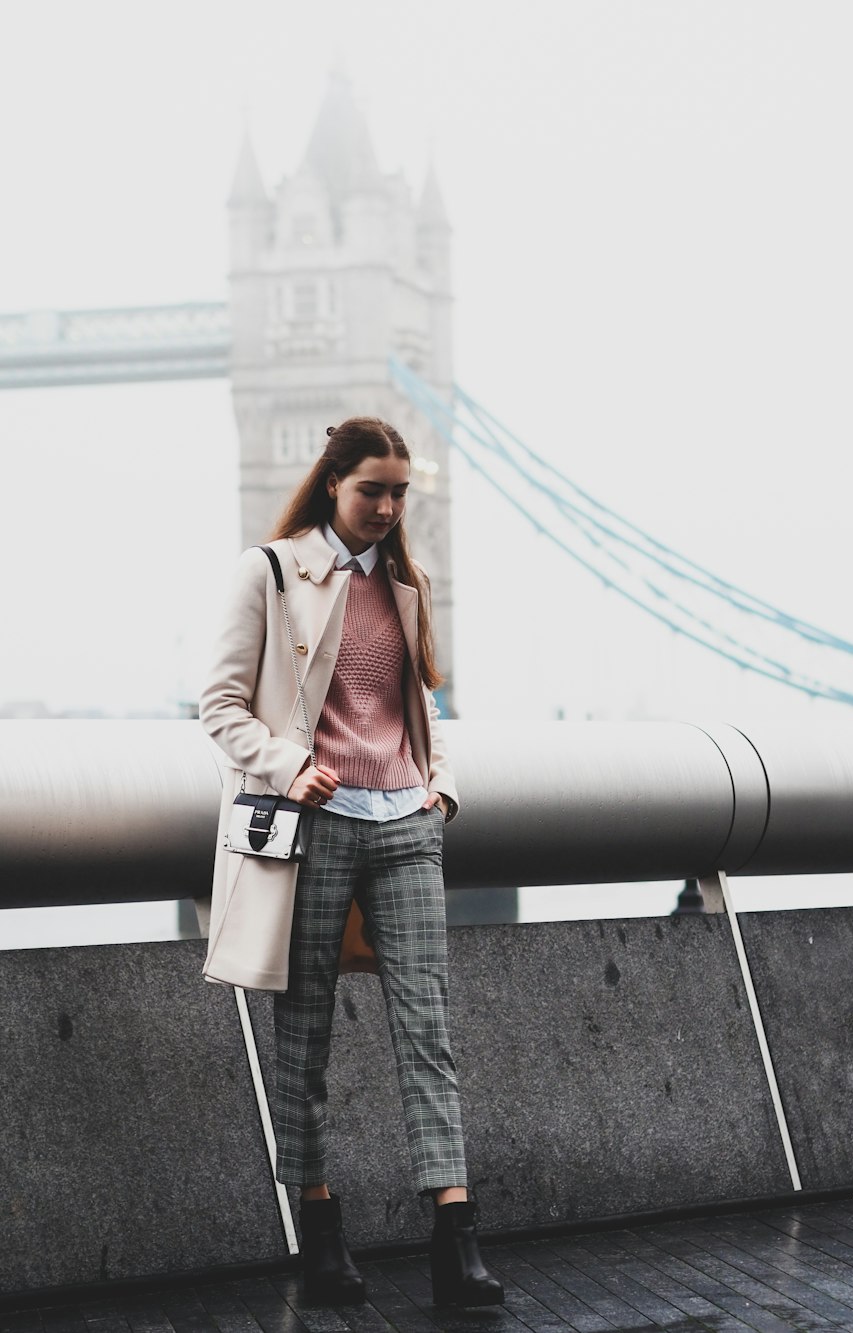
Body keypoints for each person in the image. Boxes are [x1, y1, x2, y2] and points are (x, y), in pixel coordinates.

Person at [199, 417, 503, 1309]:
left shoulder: (405, 580)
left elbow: (421, 704)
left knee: (429, 1032)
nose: (387, 505)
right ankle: (320, 1230)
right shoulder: (269, 571)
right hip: (314, 827)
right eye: (372, 487)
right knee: (306, 1036)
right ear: (333, 482)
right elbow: (218, 706)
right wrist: (294, 767)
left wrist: (437, 789)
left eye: (400, 491)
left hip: (405, 823)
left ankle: (456, 1233)